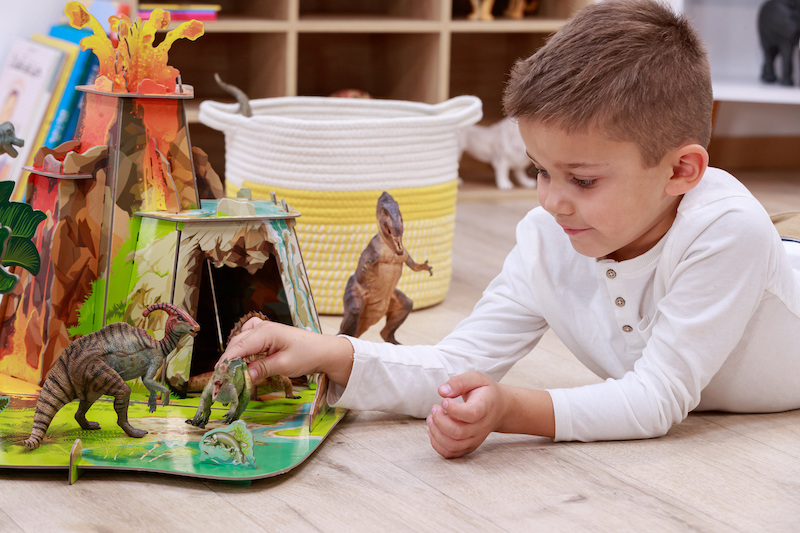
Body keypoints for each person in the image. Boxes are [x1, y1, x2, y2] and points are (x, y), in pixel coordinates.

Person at [219, 0, 800, 458]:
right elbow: (454, 366)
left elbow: (656, 400)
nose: (551, 201)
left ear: (680, 170)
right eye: (540, 170)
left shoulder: (727, 232)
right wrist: (329, 351)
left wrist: (511, 410)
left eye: (583, 180)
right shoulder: (549, 236)